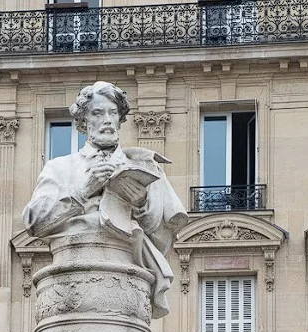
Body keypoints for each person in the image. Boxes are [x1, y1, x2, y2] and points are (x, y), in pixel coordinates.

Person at [23, 81, 188, 317]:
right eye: (98, 113)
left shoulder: (143, 167)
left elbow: (163, 235)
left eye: (113, 113)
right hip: (71, 272)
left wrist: (141, 203)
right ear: (83, 122)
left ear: (120, 119)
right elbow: (33, 221)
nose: (107, 120)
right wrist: (82, 190)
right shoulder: (60, 167)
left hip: (126, 273)